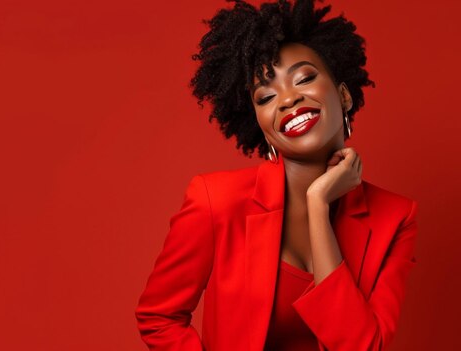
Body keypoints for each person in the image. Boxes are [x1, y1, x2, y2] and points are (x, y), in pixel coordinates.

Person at [135, 0, 419, 350]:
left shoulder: (395, 218)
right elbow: (158, 316)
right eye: (266, 96)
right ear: (259, 124)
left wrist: (318, 206)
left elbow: (362, 346)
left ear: (343, 95)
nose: (287, 99)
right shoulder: (216, 201)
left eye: (305, 78)